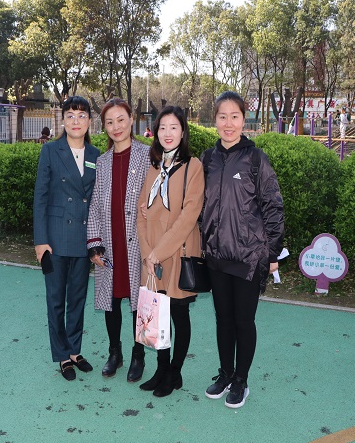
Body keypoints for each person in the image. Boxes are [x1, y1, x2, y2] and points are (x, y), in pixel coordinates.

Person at [201, 91, 284, 409]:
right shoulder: (207, 159)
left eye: (234, 116)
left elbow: (274, 207)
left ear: (243, 119)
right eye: (222, 116)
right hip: (216, 256)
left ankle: (241, 380)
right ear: (215, 120)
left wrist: (272, 253)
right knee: (223, 319)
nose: (228, 123)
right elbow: (196, 206)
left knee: (243, 321)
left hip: (249, 257)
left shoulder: (256, 159)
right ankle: (225, 374)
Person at [136, 106, 204, 397]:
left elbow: (189, 216)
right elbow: (141, 214)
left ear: (183, 131)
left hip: (177, 251)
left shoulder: (193, 166)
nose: (167, 133)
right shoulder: (153, 167)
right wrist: (147, 253)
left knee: (178, 313)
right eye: (162, 127)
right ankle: (161, 369)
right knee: (157, 313)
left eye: (173, 127)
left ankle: (175, 373)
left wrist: (158, 253)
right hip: (152, 254)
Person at [33, 96, 100, 381]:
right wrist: (40, 240)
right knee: (56, 300)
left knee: (77, 299)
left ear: (89, 122)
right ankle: (62, 355)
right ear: (62, 120)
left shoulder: (96, 154)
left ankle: (74, 350)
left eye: (81, 116)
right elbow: (40, 197)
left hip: (83, 239)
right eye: (70, 115)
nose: (76, 121)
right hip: (55, 240)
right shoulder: (51, 150)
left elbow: (97, 200)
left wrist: (97, 241)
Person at [87, 97, 150, 382]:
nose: (116, 127)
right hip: (110, 241)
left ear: (131, 119)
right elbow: (95, 205)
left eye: (121, 120)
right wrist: (94, 244)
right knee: (110, 299)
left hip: (138, 243)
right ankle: (115, 352)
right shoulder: (102, 162)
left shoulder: (147, 155)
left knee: (138, 301)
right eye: (110, 122)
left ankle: (139, 354)